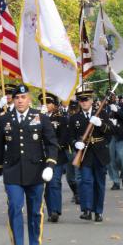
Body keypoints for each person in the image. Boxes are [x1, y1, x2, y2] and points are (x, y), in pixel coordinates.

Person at [0, 84, 58, 245]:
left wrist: (50, 165)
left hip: (36, 171)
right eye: (17, 98)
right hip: (13, 171)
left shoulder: (41, 118)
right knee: (14, 207)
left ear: (29, 99)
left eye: (23, 97)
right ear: (12, 100)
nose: (20, 101)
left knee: (35, 211)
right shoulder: (5, 119)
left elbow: (52, 144)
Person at [68, 89, 110, 222]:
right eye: (81, 100)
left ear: (91, 100)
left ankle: (98, 211)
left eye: (86, 100)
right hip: (85, 153)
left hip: (99, 152)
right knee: (85, 181)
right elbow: (70, 136)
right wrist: (76, 143)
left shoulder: (102, 113)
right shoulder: (75, 118)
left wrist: (101, 124)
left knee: (99, 183)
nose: (84, 102)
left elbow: (111, 131)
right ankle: (86, 210)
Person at [39, 92, 70, 223]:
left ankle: (55, 210)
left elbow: (64, 137)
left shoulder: (61, 118)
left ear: (54, 104)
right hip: (41, 156)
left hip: (57, 155)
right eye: (43, 102)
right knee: (45, 184)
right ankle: (51, 210)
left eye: (48, 102)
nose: (45, 105)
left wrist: (55, 148)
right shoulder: (37, 118)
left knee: (55, 182)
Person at [106, 93, 123, 190]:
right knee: (110, 160)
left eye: (112, 96)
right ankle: (115, 181)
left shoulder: (121, 106)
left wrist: (117, 111)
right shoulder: (103, 107)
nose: (111, 98)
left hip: (120, 136)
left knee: (121, 157)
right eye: (108, 96)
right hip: (109, 136)